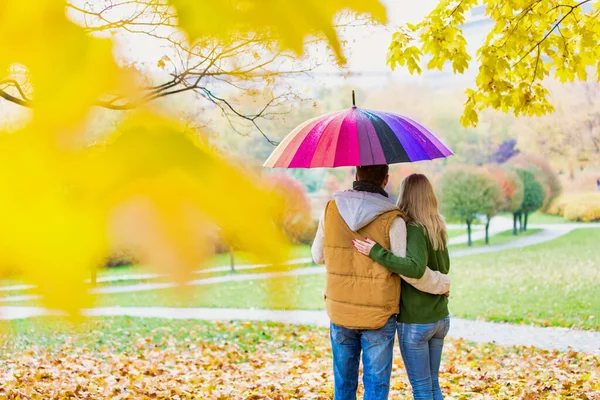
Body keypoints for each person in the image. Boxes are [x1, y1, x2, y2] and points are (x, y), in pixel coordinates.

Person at [311, 166, 450, 400]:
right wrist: (440, 284)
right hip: (379, 314)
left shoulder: (330, 210)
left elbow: (318, 256)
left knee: (343, 384)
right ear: (385, 180)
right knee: (376, 385)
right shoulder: (392, 219)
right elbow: (409, 271)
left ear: (356, 176)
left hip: (340, 310)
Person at [353, 174, 450, 400]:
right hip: (440, 319)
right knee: (433, 385)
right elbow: (442, 268)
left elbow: (414, 268)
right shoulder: (438, 227)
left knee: (422, 389)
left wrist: (377, 252)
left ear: (407, 195)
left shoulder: (414, 228)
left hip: (417, 321)